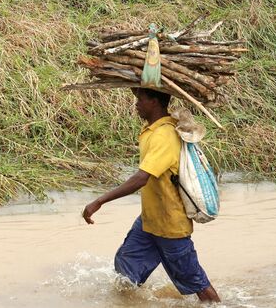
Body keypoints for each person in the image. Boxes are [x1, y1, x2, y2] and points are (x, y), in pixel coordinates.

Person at [81, 87, 220, 303]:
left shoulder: (164, 135)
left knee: (196, 283)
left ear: (154, 102)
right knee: (126, 269)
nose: (136, 104)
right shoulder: (153, 129)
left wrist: (99, 201)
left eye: (141, 99)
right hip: (150, 221)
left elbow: (141, 178)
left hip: (170, 226)